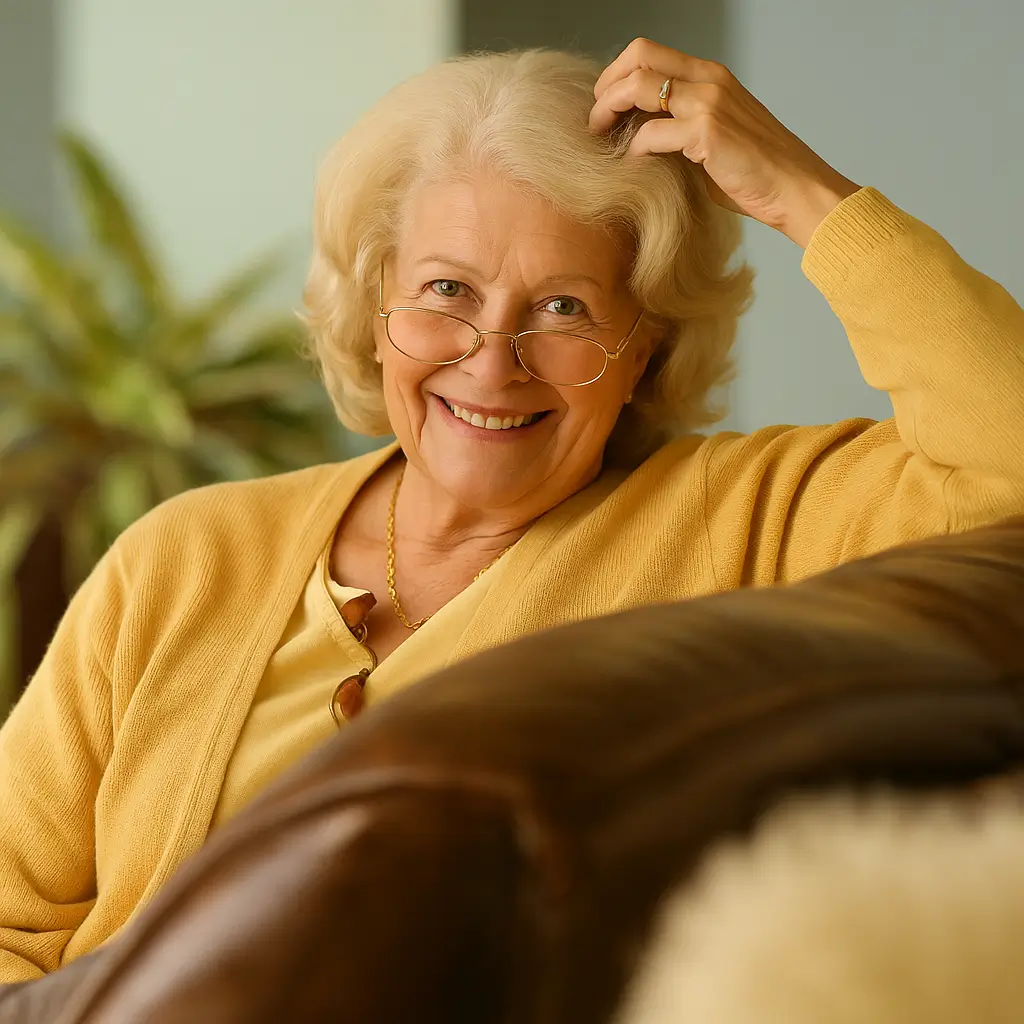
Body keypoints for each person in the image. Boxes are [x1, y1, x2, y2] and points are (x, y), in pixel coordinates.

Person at [0, 37, 1021, 983]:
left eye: (564, 307)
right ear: (375, 304)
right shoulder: (184, 555)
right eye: (447, 289)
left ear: (649, 346)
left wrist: (808, 195)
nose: (493, 359)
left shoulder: (747, 514)